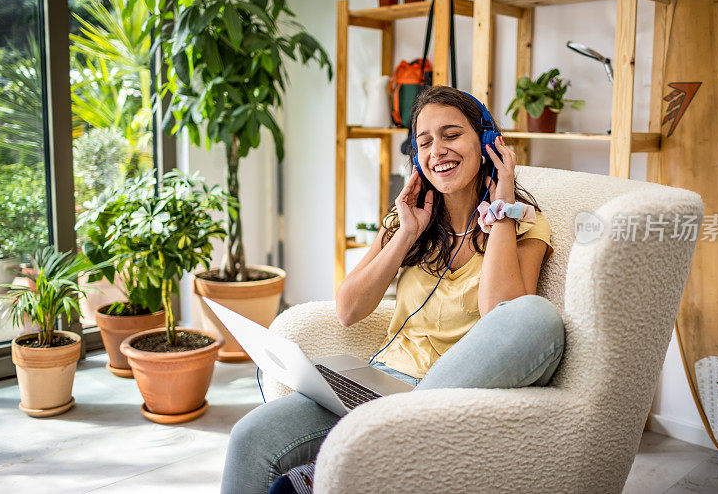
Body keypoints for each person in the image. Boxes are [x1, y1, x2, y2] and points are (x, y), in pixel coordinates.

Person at [221, 86, 565, 494]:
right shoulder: (406, 221)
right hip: (382, 384)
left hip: (458, 391)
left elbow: (502, 313)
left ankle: (369, 448)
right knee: (250, 439)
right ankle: (369, 448)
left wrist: (501, 210)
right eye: (424, 142)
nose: (437, 150)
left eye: (451, 135)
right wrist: (405, 235)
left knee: (538, 317)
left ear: (489, 142)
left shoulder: (524, 224)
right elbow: (348, 308)